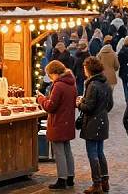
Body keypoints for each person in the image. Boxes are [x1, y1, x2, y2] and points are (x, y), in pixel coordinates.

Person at [37, 61, 77, 190]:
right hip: (68, 121)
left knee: (59, 152)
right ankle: (70, 177)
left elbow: (51, 106)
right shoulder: (71, 83)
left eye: (50, 74)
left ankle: (62, 179)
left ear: (54, 73)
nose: (49, 77)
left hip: (58, 122)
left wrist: (41, 99)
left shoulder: (59, 85)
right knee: (67, 150)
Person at [77, 57, 113, 194]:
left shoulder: (92, 85)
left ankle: (96, 183)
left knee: (93, 154)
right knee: (100, 152)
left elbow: (89, 107)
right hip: (102, 122)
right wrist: (101, 111)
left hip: (92, 123)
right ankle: (105, 180)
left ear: (89, 69)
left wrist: (79, 103)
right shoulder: (105, 83)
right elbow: (110, 105)